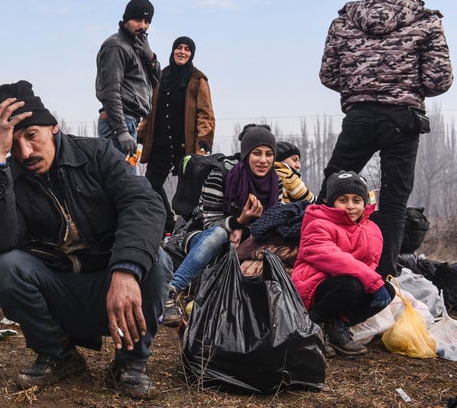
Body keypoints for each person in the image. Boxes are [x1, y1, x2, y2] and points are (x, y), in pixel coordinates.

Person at [0, 80, 170, 399]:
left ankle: (131, 363)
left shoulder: (97, 153)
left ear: (53, 127)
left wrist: (125, 270)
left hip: (110, 285)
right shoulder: (8, 176)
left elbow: (144, 203)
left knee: (156, 261)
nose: (24, 152)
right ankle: (59, 354)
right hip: (60, 290)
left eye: (31, 136)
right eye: (13, 142)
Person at [318, 0, 453, 277]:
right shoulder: (426, 20)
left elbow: (328, 75)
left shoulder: (345, 20)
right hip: (402, 120)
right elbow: (440, 80)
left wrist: (359, 87)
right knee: (393, 201)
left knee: (329, 193)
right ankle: (385, 277)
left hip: (359, 117)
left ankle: (316, 263)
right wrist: (404, 87)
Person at [162, 124, 282, 326]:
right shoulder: (221, 176)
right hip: (200, 235)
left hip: (248, 238)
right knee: (218, 235)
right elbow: (209, 221)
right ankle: (171, 291)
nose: (263, 160)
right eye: (257, 153)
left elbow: (275, 219)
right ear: (246, 154)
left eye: (269, 154)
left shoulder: (275, 182)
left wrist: (243, 228)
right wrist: (240, 220)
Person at [292, 171, 395, 357]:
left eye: (356, 200)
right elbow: (332, 256)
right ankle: (310, 325)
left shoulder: (372, 230)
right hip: (315, 286)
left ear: (365, 203)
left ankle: (337, 326)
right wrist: (372, 281)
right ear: (331, 202)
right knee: (352, 284)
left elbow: (370, 264)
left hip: (347, 286)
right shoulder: (317, 223)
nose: (350, 206)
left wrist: (373, 283)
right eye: (343, 200)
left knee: (387, 291)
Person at [137, 36, 215, 235]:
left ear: (192, 54)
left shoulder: (198, 79)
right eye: (179, 48)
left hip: (185, 145)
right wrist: (141, 134)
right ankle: (167, 222)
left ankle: (184, 232)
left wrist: (204, 140)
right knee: (150, 184)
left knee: (186, 192)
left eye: (187, 49)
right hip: (161, 143)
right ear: (173, 51)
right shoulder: (161, 77)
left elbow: (205, 113)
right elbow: (150, 110)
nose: (182, 52)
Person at [96, 0, 161, 157]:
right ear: (126, 19)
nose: (143, 26)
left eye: (147, 22)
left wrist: (150, 57)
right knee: (123, 181)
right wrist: (121, 130)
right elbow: (110, 90)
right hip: (119, 123)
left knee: (125, 180)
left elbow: (156, 81)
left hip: (129, 122)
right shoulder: (117, 46)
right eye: (138, 20)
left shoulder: (137, 46)